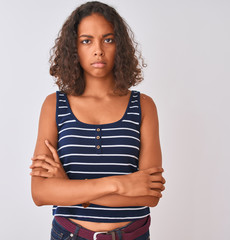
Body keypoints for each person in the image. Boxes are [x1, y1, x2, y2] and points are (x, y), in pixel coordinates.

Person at [30, 1, 166, 239]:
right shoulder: (55, 105)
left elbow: (149, 195)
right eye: (86, 40)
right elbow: (40, 193)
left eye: (108, 39)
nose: (98, 50)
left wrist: (68, 188)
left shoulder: (143, 105)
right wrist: (119, 184)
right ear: (74, 47)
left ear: (119, 46)